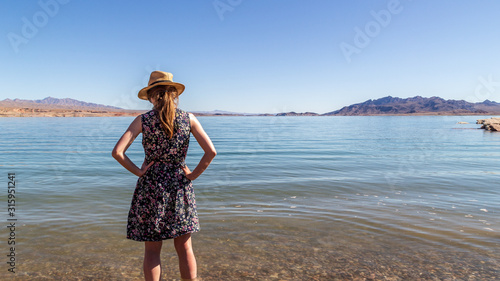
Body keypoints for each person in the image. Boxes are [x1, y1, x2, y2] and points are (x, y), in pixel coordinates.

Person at [112, 71, 216, 281]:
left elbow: (117, 153)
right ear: (174, 94)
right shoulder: (189, 119)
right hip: (180, 185)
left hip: (150, 187)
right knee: (184, 247)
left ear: (152, 96)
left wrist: (139, 171)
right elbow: (211, 152)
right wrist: (192, 175)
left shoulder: (143, 120)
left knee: (152, 251)